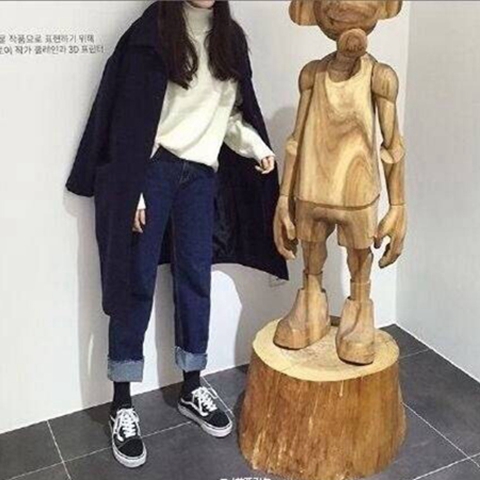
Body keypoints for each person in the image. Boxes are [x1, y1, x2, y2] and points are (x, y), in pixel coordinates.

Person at [66, 0, 285, 469]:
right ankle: (122, 402)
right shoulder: (151, 33)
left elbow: (228, 114)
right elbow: (131, 118)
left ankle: (191, 385)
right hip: (154, 170)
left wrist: (255, 147)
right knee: (135, 280)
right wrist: (133, 187)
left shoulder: (230, 38)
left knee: (194, 278)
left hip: (201, 174)